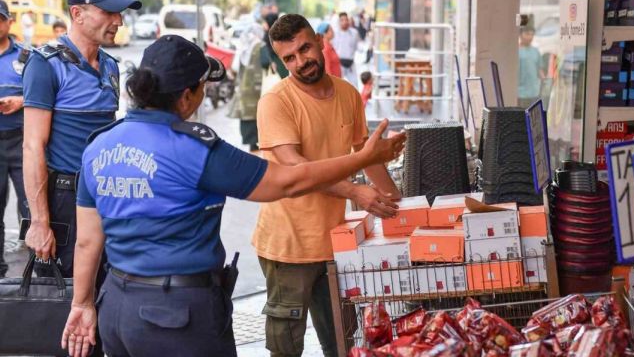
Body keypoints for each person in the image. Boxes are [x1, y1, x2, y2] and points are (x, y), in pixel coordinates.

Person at [60, 34, 406, 357]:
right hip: (177, 317)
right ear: (185, 96)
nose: (203, 97)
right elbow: (288, 182)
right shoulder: (194, 149)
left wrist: (81, 304)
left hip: (116, 311)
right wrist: (364, 158)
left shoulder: (99, 145)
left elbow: (88, 242)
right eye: (202, 88)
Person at [255, 14, 402, 356]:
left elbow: (366, 156)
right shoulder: (276, 102)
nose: (300, 61)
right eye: (288, 57)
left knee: (343, 341)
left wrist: (399, 203)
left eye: (305, 48)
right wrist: (354, 191)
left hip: (336, 243)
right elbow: (296, 168)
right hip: (288, 244)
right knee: (286, 346)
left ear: (321, 41)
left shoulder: (348, 94)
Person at [23, 0, 141, 282]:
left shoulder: (111, 66)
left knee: (109, 289)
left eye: (120, 12)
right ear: (78, 13)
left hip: (107, 196)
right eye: (108, 12)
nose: (118, 21)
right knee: (68, 296)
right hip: (67, 200)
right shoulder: (45, 64)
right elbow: (33, 145)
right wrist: (39, 222)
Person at [0, 0, 30, 278]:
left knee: (30, 205)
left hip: (21, 142)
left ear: (9, 22)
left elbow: (45, 94)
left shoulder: (25, 56)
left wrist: (20, 100)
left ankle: (38, 267)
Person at [229, 24, 265, 152]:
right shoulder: (260, 46)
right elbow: (266, 63)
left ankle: (252, 145)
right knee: (256, 117)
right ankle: (255, 145)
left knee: (247, 117)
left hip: (245, 89)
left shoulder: (243, 47)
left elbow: (234, 68)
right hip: (258, 88)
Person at [331, 12, 360, 87]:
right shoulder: (335, 33)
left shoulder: (354, 33)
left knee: (355, 85)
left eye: (346, 19)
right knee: (338, 86)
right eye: (342, 20)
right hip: (339, 63)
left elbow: (355, 47)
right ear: (339, 22)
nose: (345, 22)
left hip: (350, 63)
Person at [518, 26, 543, 108]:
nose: (530, 37)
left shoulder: (535, 51)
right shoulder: (516, 51)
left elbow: (539, 70)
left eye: (532, 34)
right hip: (521, 93)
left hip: (534, 92)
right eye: (527, 34)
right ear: (520, 35)